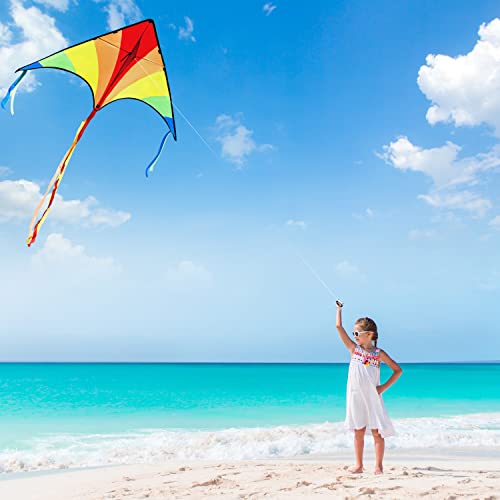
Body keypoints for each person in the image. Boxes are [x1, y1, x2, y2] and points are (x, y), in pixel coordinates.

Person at [336, 300, 402, 475]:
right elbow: (338, 327)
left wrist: (382, 388)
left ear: (369, 334)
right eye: (353, 332)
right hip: (355, 396)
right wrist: (339, 310)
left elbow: (397, 370)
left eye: (357, 332)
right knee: (358, 431)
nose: (354, 335)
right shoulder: (354, 350)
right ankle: (359, 465)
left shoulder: (378, 354)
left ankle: (378, 466)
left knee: (376, 432)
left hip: (372, 396)